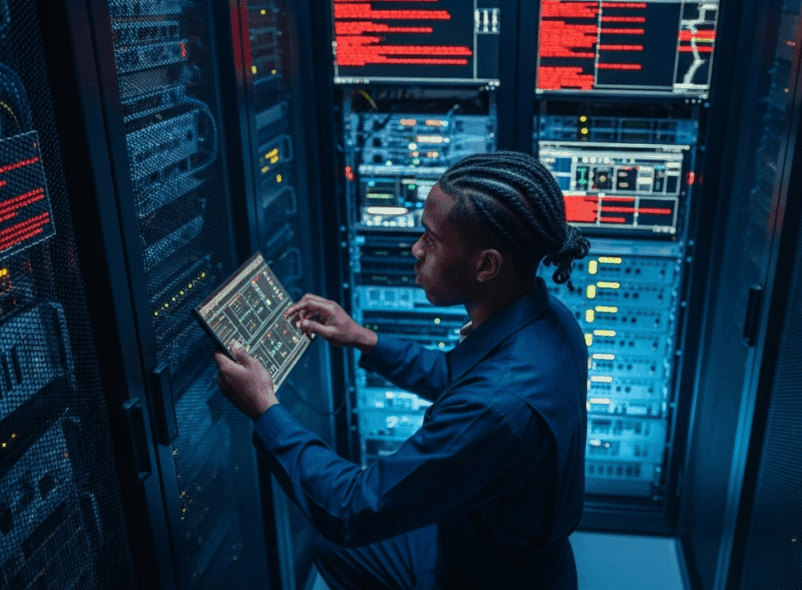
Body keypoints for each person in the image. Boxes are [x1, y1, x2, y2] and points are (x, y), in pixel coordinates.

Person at [214, 151, 591, 589]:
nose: (415, 249)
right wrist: (363, 338)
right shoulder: (549, 319)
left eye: (431, 240)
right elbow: (459, 376)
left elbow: (351, 507)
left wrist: (265, 409)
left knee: (340, 540)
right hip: (498, 544)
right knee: (333, 551)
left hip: (486, 573)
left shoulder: (495, 407)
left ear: (486, 265)